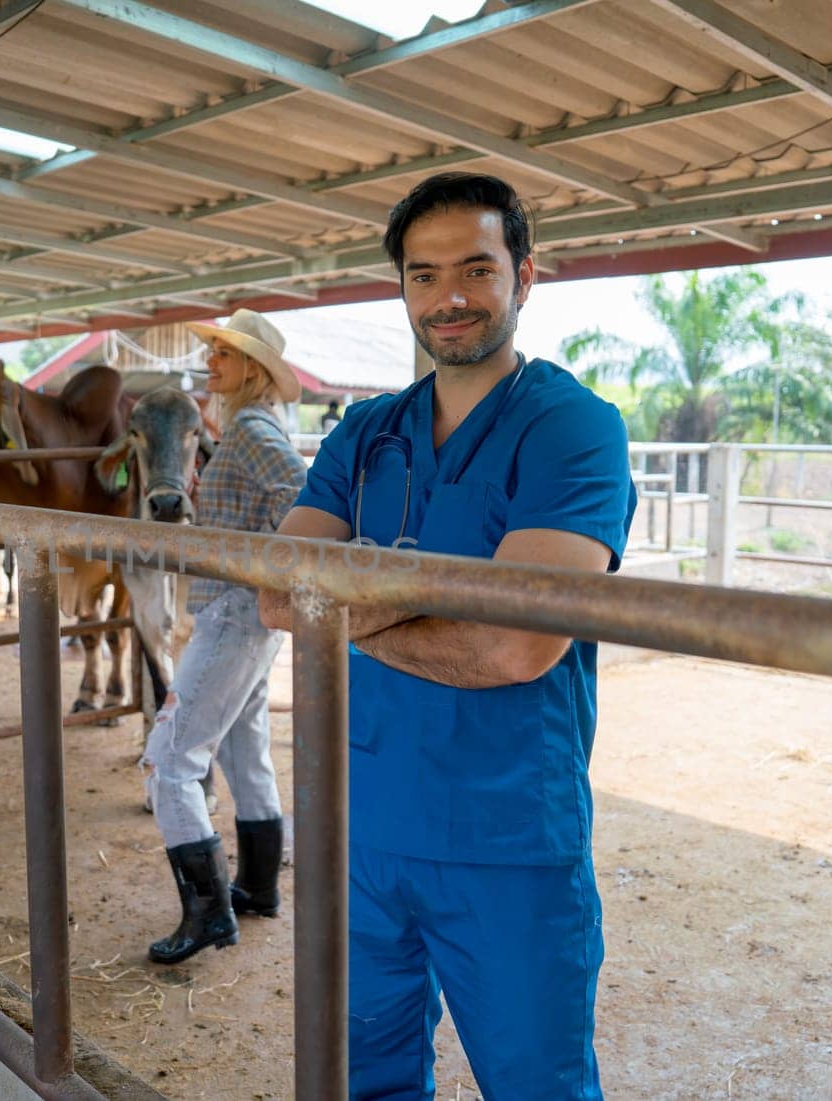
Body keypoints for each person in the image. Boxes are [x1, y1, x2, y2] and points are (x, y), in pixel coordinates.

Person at [259, 173, 636, 1099]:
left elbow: (515, 649)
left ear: (524, 276)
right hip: (360, 819)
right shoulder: (365, 432)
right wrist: (435, 603)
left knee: (536, 1083)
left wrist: (347, 606)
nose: (450, 297)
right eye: (423, 276)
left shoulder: (572, 429)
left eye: (475, 268)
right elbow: (277, 598)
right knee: (360, 1075)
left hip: (504, 834)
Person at [143, 308, 309, 965]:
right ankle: (259, 886)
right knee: (245, 750)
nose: (211, 362)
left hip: (234, 611)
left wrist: (273, 566)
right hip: (250, 613)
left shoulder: (248, 431)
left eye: (223, 355)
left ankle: (208, 912)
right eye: (212, 352)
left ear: (253, 370)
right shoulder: (246, 428)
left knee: (169, 758)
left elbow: (300, 494)